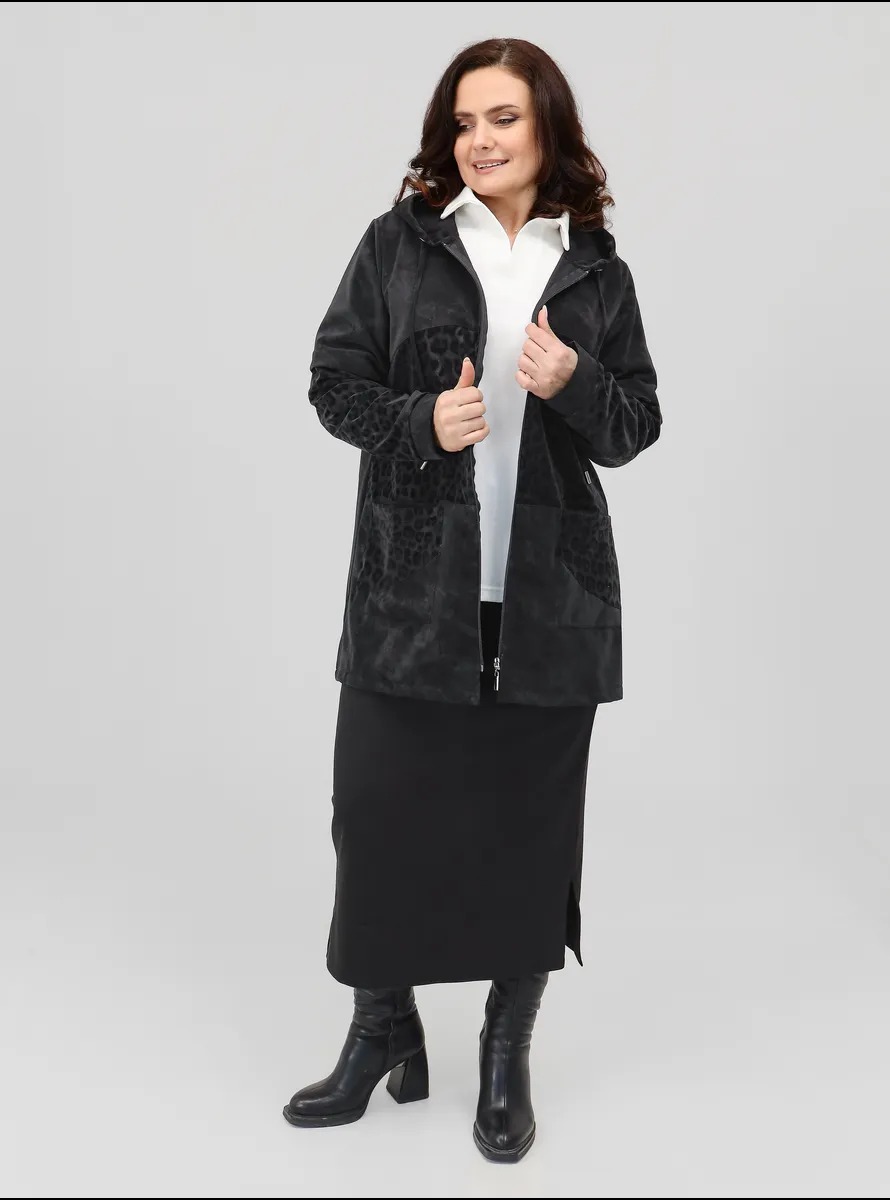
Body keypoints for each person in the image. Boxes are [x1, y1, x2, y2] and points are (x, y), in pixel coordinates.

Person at [283, 37, 661, 1163]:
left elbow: (635, 424)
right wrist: (419, 421)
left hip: (546, 597)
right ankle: (382, 1030)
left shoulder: (594, 269)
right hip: (411, 590)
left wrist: (575, 384)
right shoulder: (397, 245)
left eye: (502, 118)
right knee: (375, 818)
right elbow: (333, 382)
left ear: (548, 127)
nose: (479, 141)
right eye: (462, 122)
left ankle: (507, 1049)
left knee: (528, 835)